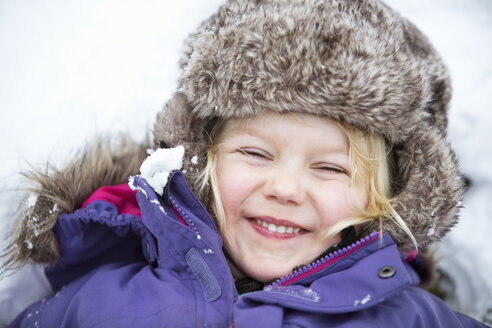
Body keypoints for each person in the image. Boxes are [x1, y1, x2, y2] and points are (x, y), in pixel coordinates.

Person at [3, 0, 489, 326]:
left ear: (383, 198)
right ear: (200, 162)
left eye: (330, 168)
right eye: (255, 153)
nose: (285, 188)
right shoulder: (105, 302)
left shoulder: (408, 317)